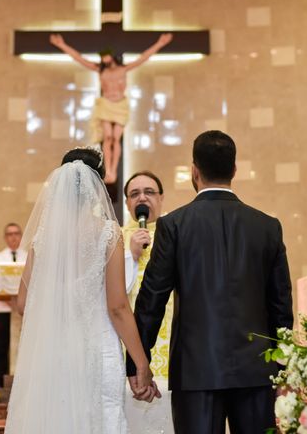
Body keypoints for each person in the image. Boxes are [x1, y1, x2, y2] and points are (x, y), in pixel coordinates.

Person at [125, 130, 294, 434]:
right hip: (257, 372)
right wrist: (283, 370)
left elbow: (152, 299)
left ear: (194, 170)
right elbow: (281, 306)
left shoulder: (173, 224)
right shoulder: (267, 227)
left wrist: (138, 362)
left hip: (195, 371)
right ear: (234, 170)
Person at [5, 147, 158, 434]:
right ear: (97, 185)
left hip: (54, 351)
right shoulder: (108, 233)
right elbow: (117, 307)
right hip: (97, 351)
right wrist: (141, 362)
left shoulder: (42, 239)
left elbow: (24, 302)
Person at [50, 33, 173, 184]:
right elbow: (79, 58)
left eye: (106, 56)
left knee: (116, 138)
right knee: (107, 138)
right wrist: (61, 44)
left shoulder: (123, 69)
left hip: (120, 105)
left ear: (112, 56)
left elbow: (143, 58)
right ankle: (109, 171)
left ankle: (114, 168)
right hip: (106, 104)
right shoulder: (100, 70)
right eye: (102, 57)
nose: (103, 59)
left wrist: (160, 43)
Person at [122, 171, 174, 433]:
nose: (142, 198)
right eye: (134, 194)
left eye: (149, 192)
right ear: (127, 203)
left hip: (174, 342)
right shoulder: (115, 238)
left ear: (161, 198)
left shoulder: (176, 232)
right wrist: (129, 255)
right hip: (127, 343)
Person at [0, 223, 27, 387]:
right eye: (10, 234)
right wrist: (9, 299)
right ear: (5, 238)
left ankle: (24, 382)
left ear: (21, 235)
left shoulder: (28, 256)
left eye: (16, 233)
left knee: (26, 346)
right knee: (1, 346)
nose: (13, 237)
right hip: (1, 308)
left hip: (24, 310)